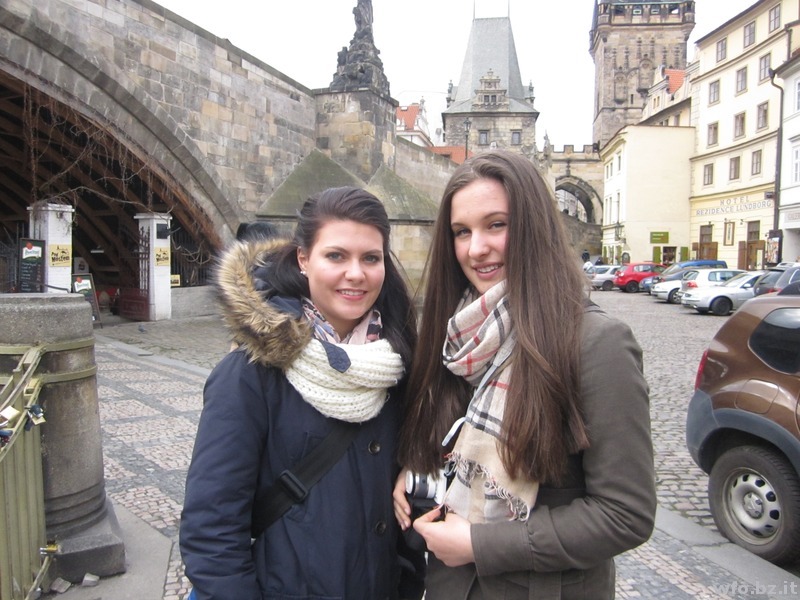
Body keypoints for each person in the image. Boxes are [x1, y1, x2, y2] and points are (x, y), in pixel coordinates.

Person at [393, 151, 656, 599]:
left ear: (535, 226)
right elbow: (459, 447)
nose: (476, 248)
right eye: (462, 231)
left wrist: (480, 544)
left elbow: (624, 514)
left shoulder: (597, 343)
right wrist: (420, 472)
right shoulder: (459, 333)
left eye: (496, 224)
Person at [180, 187, 422, 600]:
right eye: (336, 256)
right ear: (303, 259)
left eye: (370, 258)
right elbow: (212, 527)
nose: (356, 274)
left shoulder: (395, 363)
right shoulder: (250, 374)